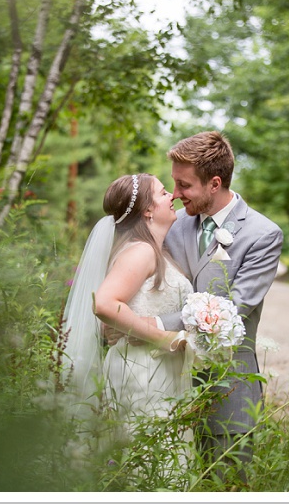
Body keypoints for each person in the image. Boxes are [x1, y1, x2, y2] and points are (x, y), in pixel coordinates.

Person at [107, 131, 284, 485]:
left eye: (184, 185)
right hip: (164, 386)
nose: (175, 194)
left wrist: (149, 324)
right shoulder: (169, 224)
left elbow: (233, 309)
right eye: (172, 184)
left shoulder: (263, 235)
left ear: (214, 183)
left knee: (225, 484)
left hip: (226, 388)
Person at [62, 173, 192, 435]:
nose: (172, 196)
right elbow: (105, 304)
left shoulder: (148, 249)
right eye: (163, 192)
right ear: (147, 210)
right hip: (143, 369)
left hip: (154, 367)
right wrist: (163, 337)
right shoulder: (141, 251)